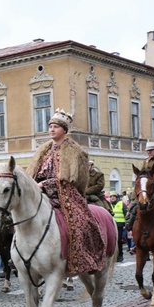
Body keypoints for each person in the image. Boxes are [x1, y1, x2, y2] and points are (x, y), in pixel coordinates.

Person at [26, 109, 105, 275]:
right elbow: (35, 173)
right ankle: (21, 255)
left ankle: (84, 257)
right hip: (39, 191)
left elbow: (70, 179)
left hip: (64, 192)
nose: (52, 129)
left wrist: (46, 185)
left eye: (56, 127)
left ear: (64, 130)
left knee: (81, 220)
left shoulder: (74, 150)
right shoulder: (43, 150)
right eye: (50, 126)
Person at [110, 192, 126, 263]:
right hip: (111, 225)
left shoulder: (121, 204)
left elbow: (126, 213)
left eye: (114, 196)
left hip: (119, 224)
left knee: (119, 240)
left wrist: (126, 222)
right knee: (112, 241)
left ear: (117, 197)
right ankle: (113, 256)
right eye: (111, 196)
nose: (112, 197)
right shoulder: (108, 205)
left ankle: (120, 255)